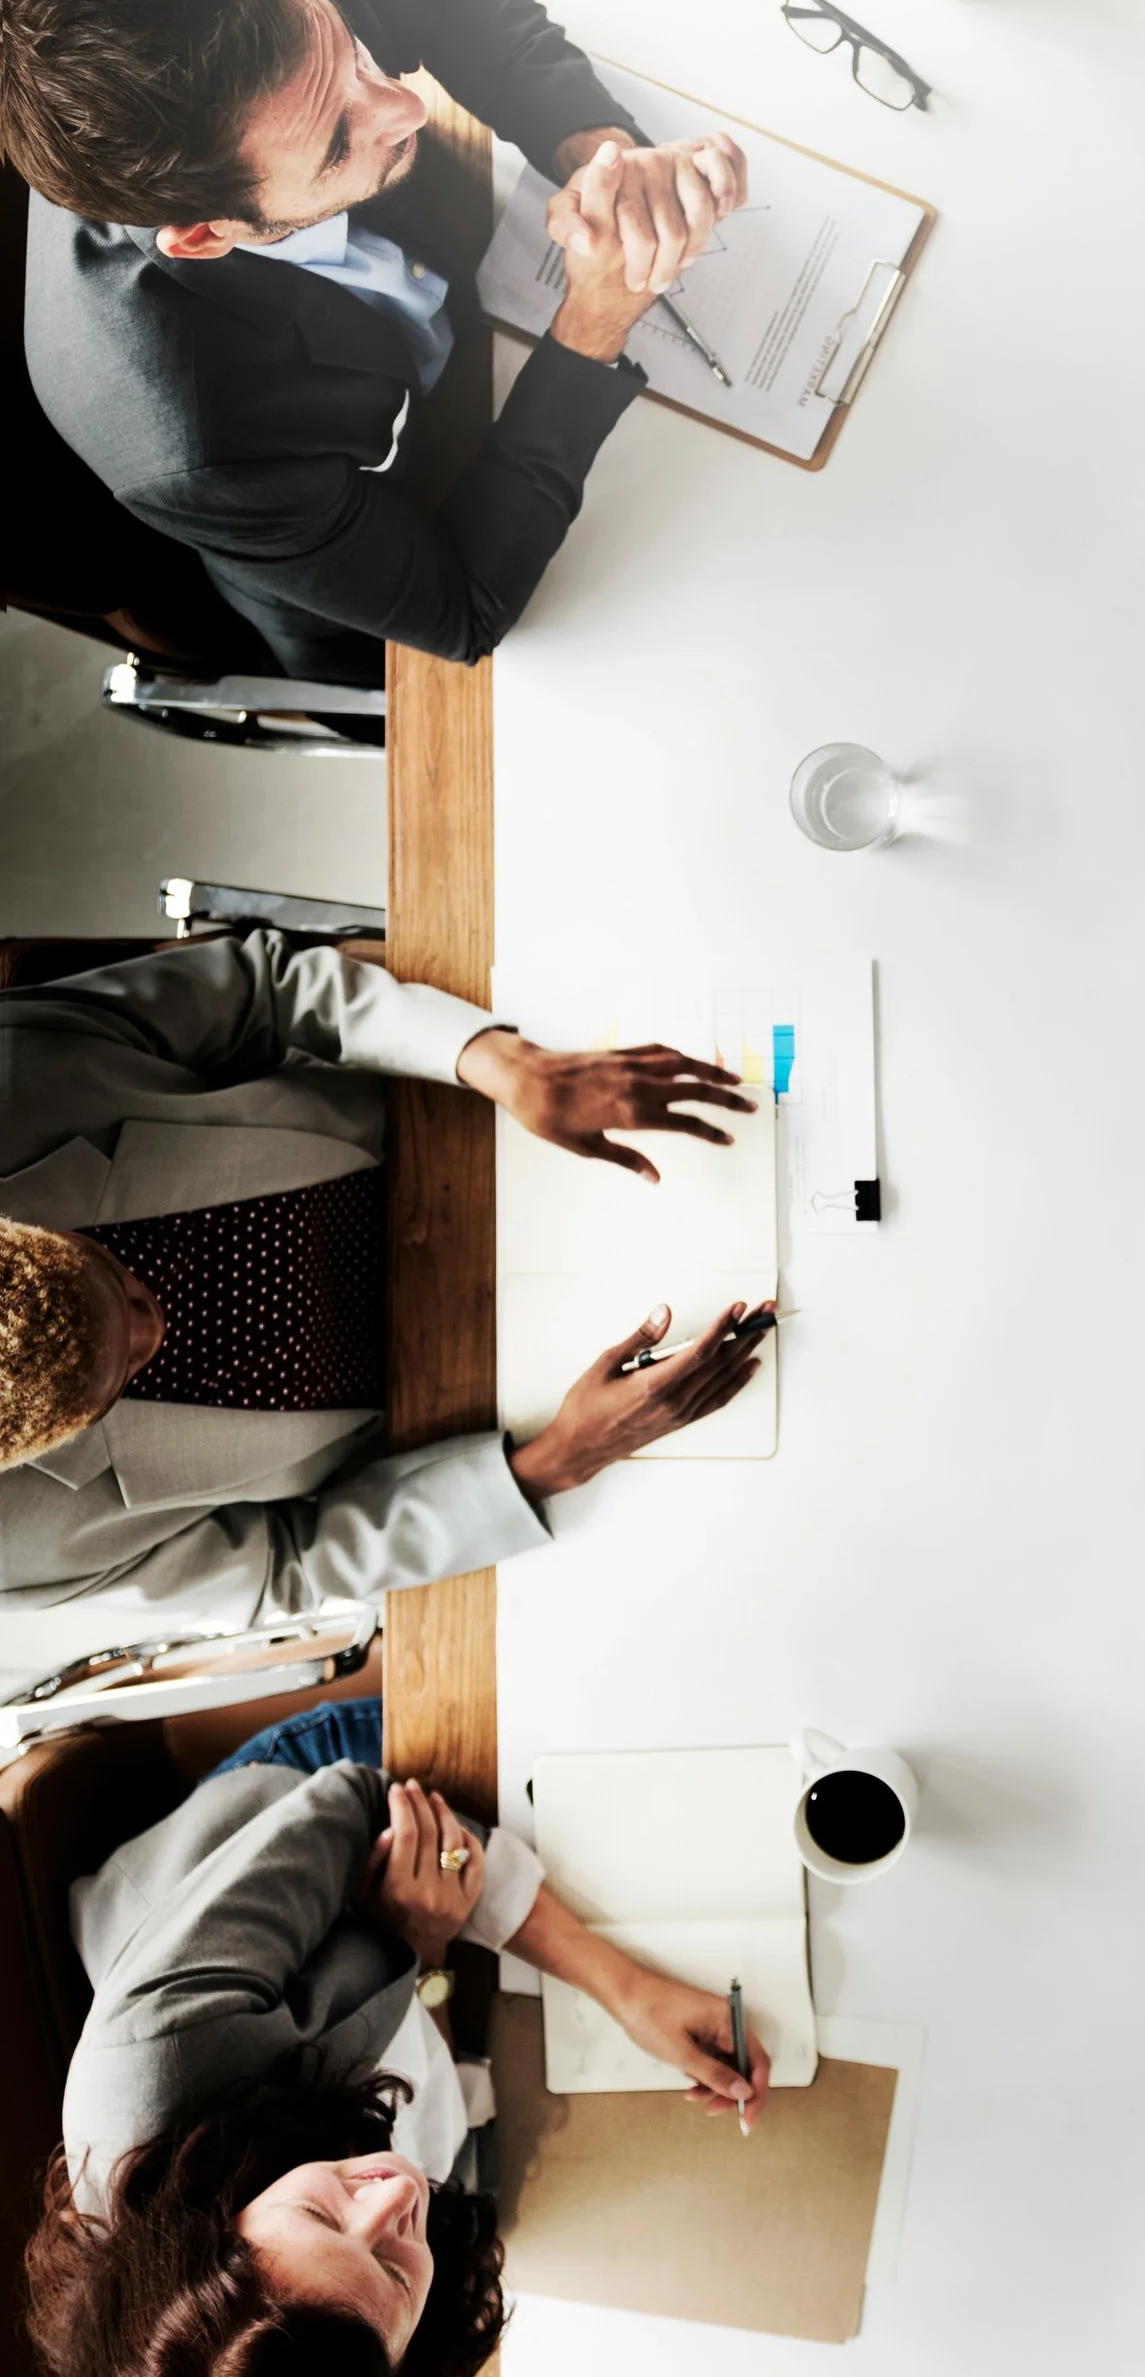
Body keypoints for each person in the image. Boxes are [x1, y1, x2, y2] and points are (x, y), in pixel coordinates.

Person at [0, 930, 769, 1620]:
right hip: (462, 1406)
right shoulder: (21, 1553)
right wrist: (555, 1461)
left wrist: (497, 1060)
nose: (152, 1324)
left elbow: (262, 995)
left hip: (445, 1113)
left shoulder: (18, 1077)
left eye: (117, 1277)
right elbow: (288, 1566)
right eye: (124, 1369)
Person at [0, 0, 748, 685]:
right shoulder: (198, 447)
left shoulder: (266, 16)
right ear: (204, 235)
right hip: (379, 527)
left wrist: (592, 147)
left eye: (355, 52)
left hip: (455, 265)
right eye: (333, 142)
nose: (410, 106)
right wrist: (594, 323)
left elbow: (457, 11)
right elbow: (464, 606)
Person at [21, 1694, 769, 2377]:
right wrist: (428, 1951)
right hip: (408, 1945)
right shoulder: (357, 2329)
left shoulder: (157, 2056)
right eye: (394, 2270)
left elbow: (361, 1807)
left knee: (601, 1722)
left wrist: (627, 1991)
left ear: (218, 2227)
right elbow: (445, 2142)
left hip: (300, 1802)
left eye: (318, 2215)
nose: (394, 2196)